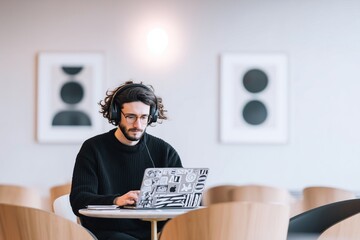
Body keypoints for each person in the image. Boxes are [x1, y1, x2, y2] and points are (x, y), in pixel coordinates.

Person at [70, 80, 183, 240]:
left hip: (154, 233)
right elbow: (79, 199)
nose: (138, 124)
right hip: (107, 234)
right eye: (131, 117)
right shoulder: (93, 149)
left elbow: (184, 200)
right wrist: (117, 200)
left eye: (144, 117)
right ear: (115, 114)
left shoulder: (164, 151)